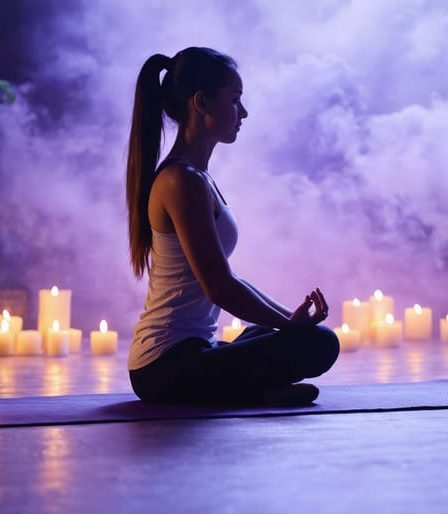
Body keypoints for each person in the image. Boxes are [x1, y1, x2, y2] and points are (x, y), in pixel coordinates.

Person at [126, 47, 339, 407]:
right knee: (320, 344)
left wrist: (288, 318)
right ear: (201, 103)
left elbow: (230, 278)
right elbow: (219, 287)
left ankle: (250, 390)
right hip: (165, 367)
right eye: (235, 100)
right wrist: (290, 328)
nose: (243, 112)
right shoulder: (182, 180)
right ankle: (255, 391)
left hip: (194, 353)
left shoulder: (197, 177)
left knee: (266, 333)